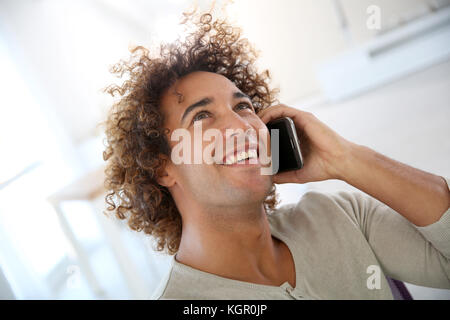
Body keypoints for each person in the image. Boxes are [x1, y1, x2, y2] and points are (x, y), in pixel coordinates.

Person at [102, 9, 450, 299]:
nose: (241, 126)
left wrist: (346, 159)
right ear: (162, 168)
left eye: (244, 106)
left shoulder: (337, 214)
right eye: (202, 116)